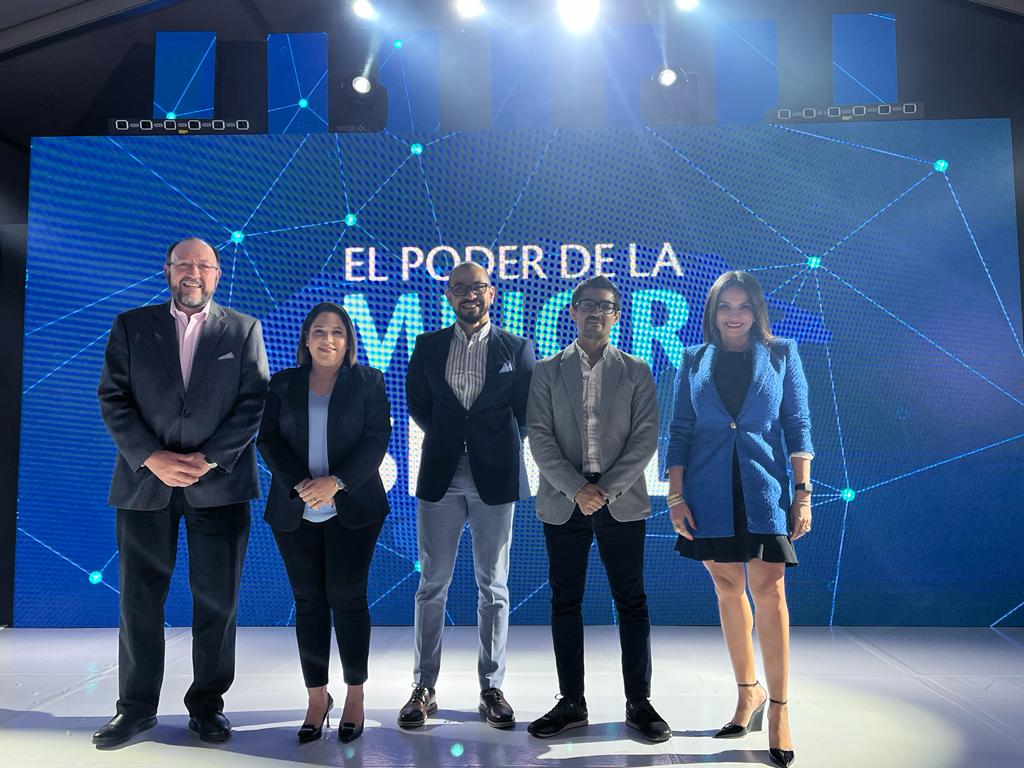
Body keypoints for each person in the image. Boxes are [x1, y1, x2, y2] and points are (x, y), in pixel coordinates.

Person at [93, 237, 269, 748]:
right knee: (139, 601)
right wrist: (153, 457)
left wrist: (208, 459)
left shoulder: (244, 329)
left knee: (218, 602)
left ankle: (207, 706)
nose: (194, 272)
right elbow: (113, 398)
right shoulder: (131, 326)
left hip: (221, 485)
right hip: (144, 483)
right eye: (184, 264)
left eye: (204, 265)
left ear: (218, 274)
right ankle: (135, 710)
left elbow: (254, 403)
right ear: (168, 270)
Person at [665, 270, 813, 768]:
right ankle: (748, 692)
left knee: (769, 590)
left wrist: (803, 494)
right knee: (728, 588)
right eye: (725, 306)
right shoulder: (693, 359)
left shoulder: (782, 353)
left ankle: (780, 709)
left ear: (756, 310)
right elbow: (680, 429)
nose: (734, 315)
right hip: (708, 493)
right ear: (713, 312)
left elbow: (797, 424)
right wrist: (675, 496)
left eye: (743, 306)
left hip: (763, 489)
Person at [525, 275, 671, 742]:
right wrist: (577, 489)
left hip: (620, 500)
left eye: (604, 306)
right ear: (572, 312)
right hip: (564, 501)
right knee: (565, 600)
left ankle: (638, 702)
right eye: (586, 304)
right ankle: (572, 703)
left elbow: (645, 438)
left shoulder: (637, 371)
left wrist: (604, 490)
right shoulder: (547, 370)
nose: (595, 312)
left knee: (631, 600)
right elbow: (539, 438)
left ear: (617, 315)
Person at [400, 261, 535, 729]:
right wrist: (452, 440)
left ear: (491, 293)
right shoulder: (428, 345)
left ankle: (492, 688)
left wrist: (487, 447)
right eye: (459, 288)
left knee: (493, 586)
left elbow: (525, 413)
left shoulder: (517, 348)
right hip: (441, 476)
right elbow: (418, 403)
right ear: (449, 296)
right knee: (431, 585)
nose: (468, 295)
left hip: (494, 479)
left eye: (476, 287)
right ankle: (423, 687)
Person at [257, 302, 391, 745]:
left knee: (348, 599)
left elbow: (376, 441)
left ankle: (355, 696)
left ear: (349, 340)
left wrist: (336, 482)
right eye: (319, 331)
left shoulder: (369, 381)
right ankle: (317, 699)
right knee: (309, 602)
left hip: (353, 509)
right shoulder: (282, 384)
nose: (327, 339)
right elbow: (268, 440)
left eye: (337, 332)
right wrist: (301, 485)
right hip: (295, 510)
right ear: (306, 338)